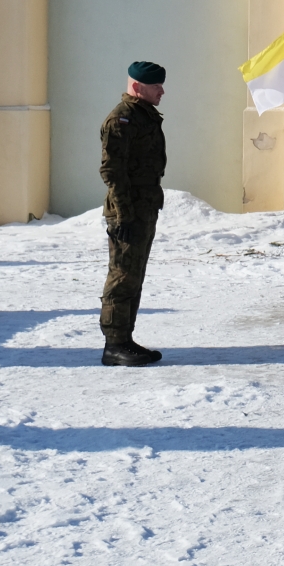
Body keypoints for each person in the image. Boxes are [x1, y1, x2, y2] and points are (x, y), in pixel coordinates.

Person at [100, 61, 169, 367]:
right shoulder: (122, 119)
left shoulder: (143, 115)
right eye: (156, 86)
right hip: (128, 211)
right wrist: (124, 215)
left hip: (143, 207)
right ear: (138, 87)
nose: (162, 91)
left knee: (134, 276)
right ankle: (114, 344)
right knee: (122, 275)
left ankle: (125, 339)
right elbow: (112, 170)